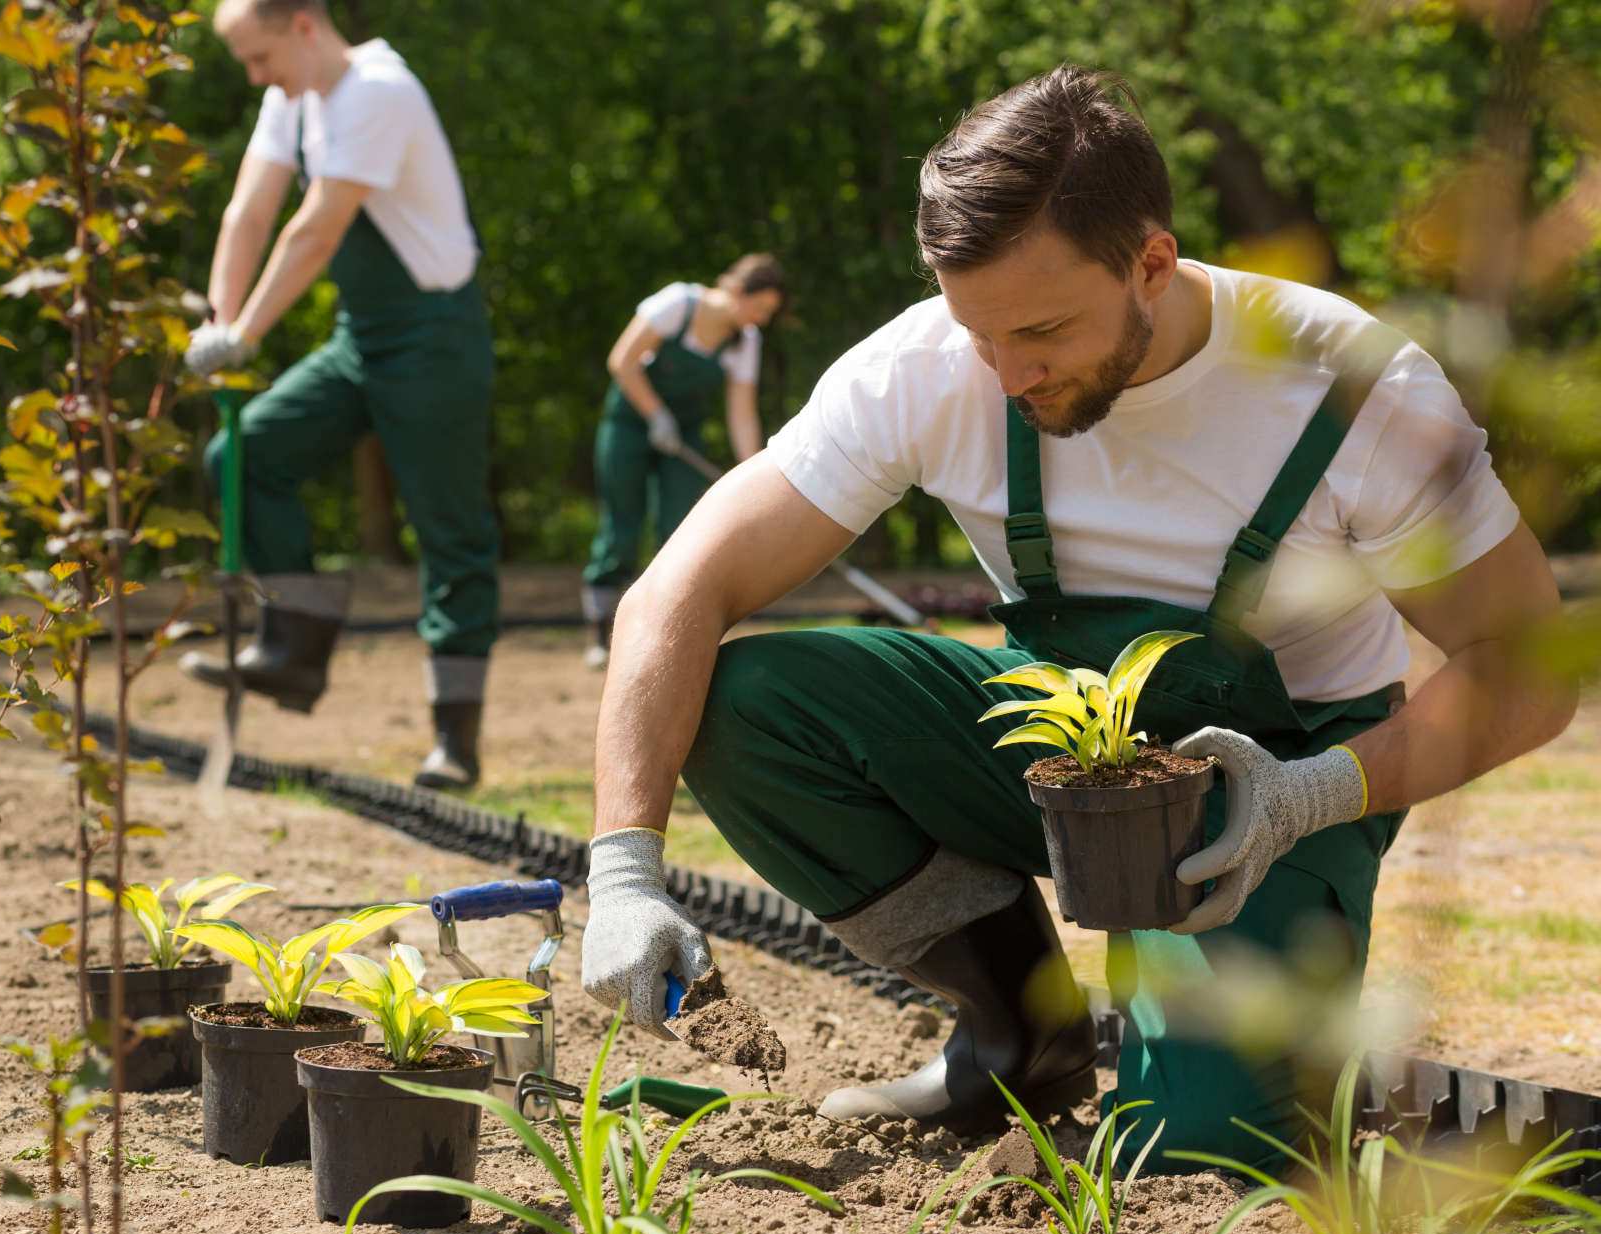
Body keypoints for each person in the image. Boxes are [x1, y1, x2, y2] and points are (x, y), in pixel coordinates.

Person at [575, 67, 1576, 1169]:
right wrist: (623, 869)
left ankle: (1223, 1018)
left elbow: (1526, 666)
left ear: (1151, 262)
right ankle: (1022, 1030)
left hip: (1275, 788)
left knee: (1196, 1150)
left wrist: (1307, 795)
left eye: (1041, 330)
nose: (1007, 373)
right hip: (1060, 750)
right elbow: (677, 587)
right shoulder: (930, 366)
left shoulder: (1348, 390)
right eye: (979, 333)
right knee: (747, 704)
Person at [182, 0, 498, 790]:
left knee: (449, 533)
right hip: (362, 340)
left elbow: (314, 233)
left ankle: (454, 742)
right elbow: (249, 213)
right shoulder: (290, 103)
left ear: (303, 26)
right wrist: (220, 320)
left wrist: (248, 333)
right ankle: (293, 654)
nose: (258, 78)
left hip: (434, 339)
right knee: (241, 456)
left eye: (259, 58)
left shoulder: (378, 91)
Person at [580, 256, 785, 669]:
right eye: (758, 309)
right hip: (631, 425)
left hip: (683, 439)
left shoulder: (744, 341)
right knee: (621, 527)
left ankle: (656, 635)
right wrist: (656, 415)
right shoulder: (677, 304)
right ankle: (600, 636)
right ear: (736, 291)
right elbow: (622, 360)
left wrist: (753, 472)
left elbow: (741, 412)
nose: (760, 321)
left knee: (678, 530)